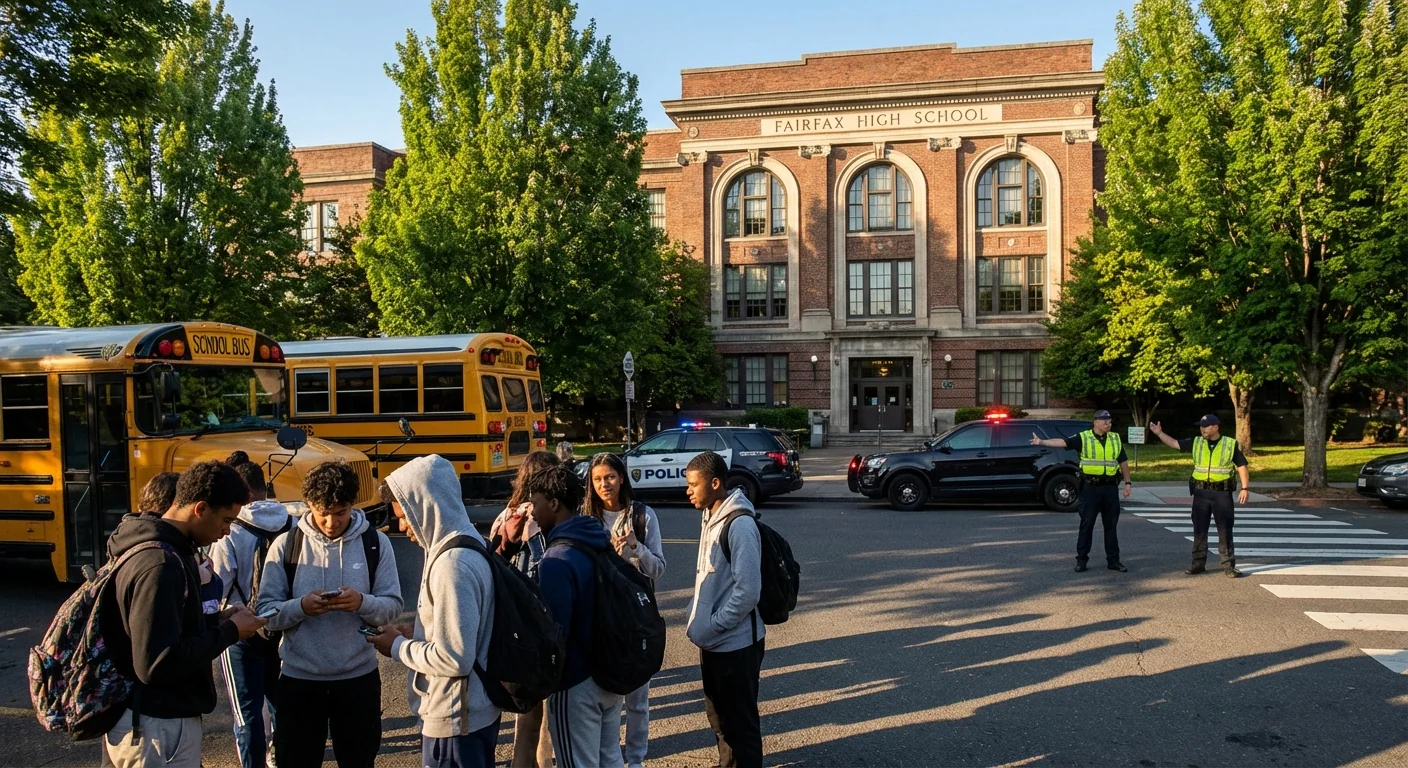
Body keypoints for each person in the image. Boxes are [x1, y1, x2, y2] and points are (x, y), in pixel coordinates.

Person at [100, 461, 266, 768]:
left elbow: (165, 629)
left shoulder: (165, 549)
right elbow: (156, 662)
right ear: (200, 509)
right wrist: (229, 633)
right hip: (155, 724)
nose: (227, 531)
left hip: (157, 720)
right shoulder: (160, 564)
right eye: (226, 520)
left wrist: (218, 620)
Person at [256, 461, 403, 768]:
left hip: (358, 679)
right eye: (322, 512)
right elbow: (265, 614)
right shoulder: (286, 545)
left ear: (353, 505)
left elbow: (392, 606)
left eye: (341, 511)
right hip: (299, 680)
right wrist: (300, 607)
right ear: (309, 505)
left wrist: (361, 602)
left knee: (359, 761)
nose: (331, 521)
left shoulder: (375, 543)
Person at [368, 455, 501, 768]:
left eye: (405, 515)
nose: (402, 526)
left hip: (455, 720)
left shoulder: (451, 566)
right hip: (475, 714)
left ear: (427, 506)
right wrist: (417, 631)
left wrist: (397, 647)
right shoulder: (469, 541)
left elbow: (454, 658)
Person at [526, 464, 623, 768]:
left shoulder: (556, 560)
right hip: (609, 674)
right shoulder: (597, 538)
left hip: (576, 684)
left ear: (553, 504)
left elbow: (555, 634)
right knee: (610, 760)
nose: (532, 513)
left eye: (535, 503)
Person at [583, 452, 665, 768]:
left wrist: (635, 548)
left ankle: (636, 759)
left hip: (637, 619)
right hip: (602, 618)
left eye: (611, 477)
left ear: (622, 478)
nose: (605, 485)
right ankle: (610, 757)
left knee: (638, 701)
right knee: (606, 698)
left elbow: (658, 569)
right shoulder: (585, 518)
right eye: (598, 479)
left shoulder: (643, 516)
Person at [683, 452, 765, 768]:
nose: (687, 491)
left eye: (693, 485)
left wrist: (714, 624)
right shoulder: (709, 515)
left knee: (740, 724)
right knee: (719, 718)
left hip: (736, 644)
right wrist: (697, 616)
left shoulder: (739, 525)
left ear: (715, 484)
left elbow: (748, 593)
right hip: (714, 642)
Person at [210, 460, 291, 768]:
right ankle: (282, 756)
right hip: (283, 625)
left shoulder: (231, 529)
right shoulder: (291, 523)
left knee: (247, 713)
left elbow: (220, 585)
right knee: (281, 704)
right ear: (263, 486)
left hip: (241, 631)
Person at [486, 451, 559, 768]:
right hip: (536, 620)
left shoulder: (506, 515)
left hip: (507, 622)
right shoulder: (540, 517)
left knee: (524, 712)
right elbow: (547, 568)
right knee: (539, 713)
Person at [1031, 409, 1132, 572]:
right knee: (1087, 525)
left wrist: (1128, 483)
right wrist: (1042, 442)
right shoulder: (1084, 437)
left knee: (1111, 527)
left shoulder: (1115, 438)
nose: (1108, 424)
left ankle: (1114, 561)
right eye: (1105, 421)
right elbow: (1063, 443)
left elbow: (1123, 462)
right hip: (1090, 488)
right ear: (1096, 422)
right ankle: (1082, 560)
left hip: (1110, 488)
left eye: (1110, 421)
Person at [1150, 414, 1250, 577]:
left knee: (1224, 530)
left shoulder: (1229, 444)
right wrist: (1160, 434)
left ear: (1216, 427)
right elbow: (1175, 444)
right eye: (1201, 426)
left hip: (1221, 494)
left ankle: (1228, 566)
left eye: (1206, 426)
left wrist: (1245, 488)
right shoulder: (1196, 442)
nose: (1202, 429)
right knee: (1199, 530)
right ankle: (1198, 564)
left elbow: (1242, 465)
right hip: (1201, 493)